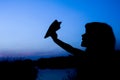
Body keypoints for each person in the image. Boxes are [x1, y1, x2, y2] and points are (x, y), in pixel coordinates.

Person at [49, 21, 117, 80]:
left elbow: (72, 49)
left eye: (87, 33)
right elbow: (71, 49)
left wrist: (55, 39)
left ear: (96, 37)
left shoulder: (94, 59)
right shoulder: (95, 57)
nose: (82, 35)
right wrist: (55, 39)